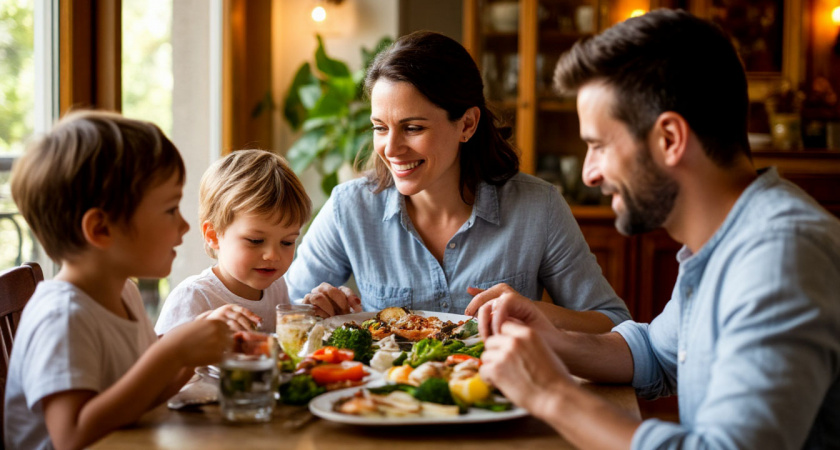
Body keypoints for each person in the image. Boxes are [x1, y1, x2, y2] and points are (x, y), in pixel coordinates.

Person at [474, 9, 840, 449]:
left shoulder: (780, 258)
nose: (589, 173)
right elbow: (656, 352)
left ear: (669, 139)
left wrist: (551, 394)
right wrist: (550, 341)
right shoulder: (726, 239)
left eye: (598, 146)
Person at [284, 31, 630, 332]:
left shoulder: (539, 207)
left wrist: (534, 313)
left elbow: (613, 323)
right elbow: (282, 308)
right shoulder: (349, 207)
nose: (390, 148)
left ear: (467, 124)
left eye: (413, 128)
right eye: (380, 127)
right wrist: (315, 307)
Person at [5, 111, 231, 449]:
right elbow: (71, 436)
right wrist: (171, 353)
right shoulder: (62, 316)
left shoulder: (124, 292)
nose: (185, 225)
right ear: (101, 229)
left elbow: (141, 394)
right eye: (170, 209)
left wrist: (190, 355)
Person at [155, 149, 312, 335]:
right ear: (213, 236)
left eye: (287, 242)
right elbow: (161, 354)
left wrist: (309, 312)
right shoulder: (193, 297)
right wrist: (202, 330)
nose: (273, 255)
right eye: (255, 240)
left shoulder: (277, 287)